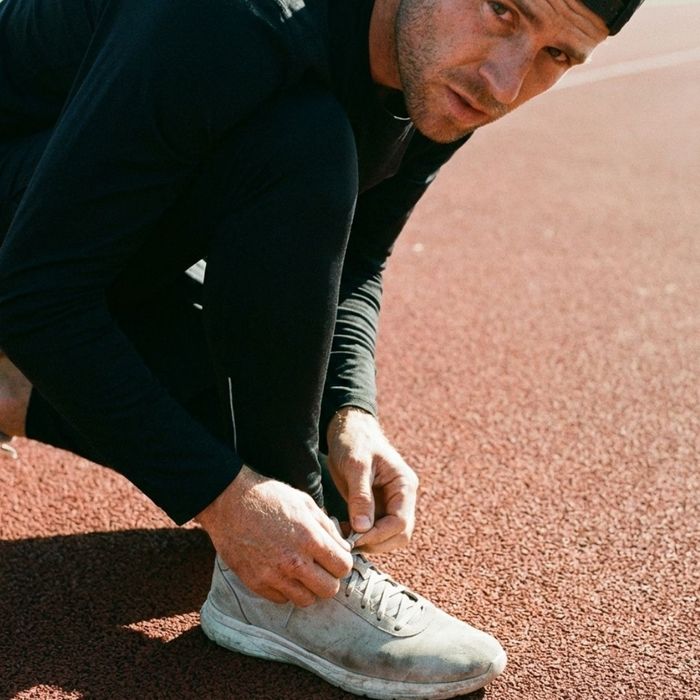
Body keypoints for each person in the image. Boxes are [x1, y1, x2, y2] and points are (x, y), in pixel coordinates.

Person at [0, 0, 644, 696]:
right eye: (503, 10)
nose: (505, 82)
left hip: (71, 219)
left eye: (556, 55)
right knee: (300, 141)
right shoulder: (225, 20)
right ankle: (284, 604)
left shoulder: (444, 67)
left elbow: (359, 255)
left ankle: (14, 391)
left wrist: (348, 408)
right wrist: (224, 499)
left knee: (278, 469)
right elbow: (34, 290)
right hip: (32, 241)